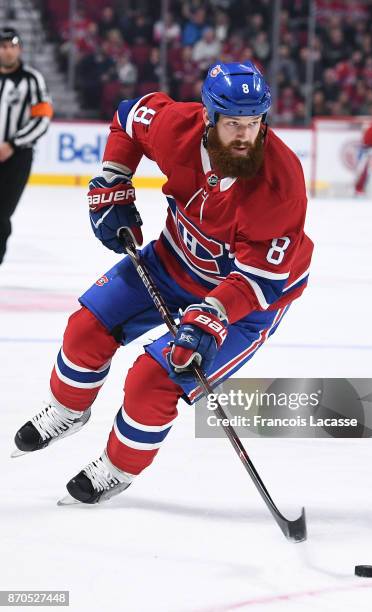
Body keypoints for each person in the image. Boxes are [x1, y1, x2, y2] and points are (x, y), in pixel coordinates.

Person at [12, 62, 314, 505]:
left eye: (255, 123)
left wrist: (212, 315)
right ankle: (67, 409)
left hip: (247, 300)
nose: (246, 135)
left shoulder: (279, 183)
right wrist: (114, 177)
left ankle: (116, 468)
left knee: (154, 380)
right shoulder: (177, 126)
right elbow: (127, 118)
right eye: (234, 123)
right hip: (171, 261)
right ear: (209, 117)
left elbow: (259, 280)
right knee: (85, 328)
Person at [0, 27, 53, 264]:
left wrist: (13, 143)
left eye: (12, 46)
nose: (8, 51)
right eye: (3, 47)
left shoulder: (32, 80)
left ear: (19, 49)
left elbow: (42, 118)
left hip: (17, 158)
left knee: (1, 214)